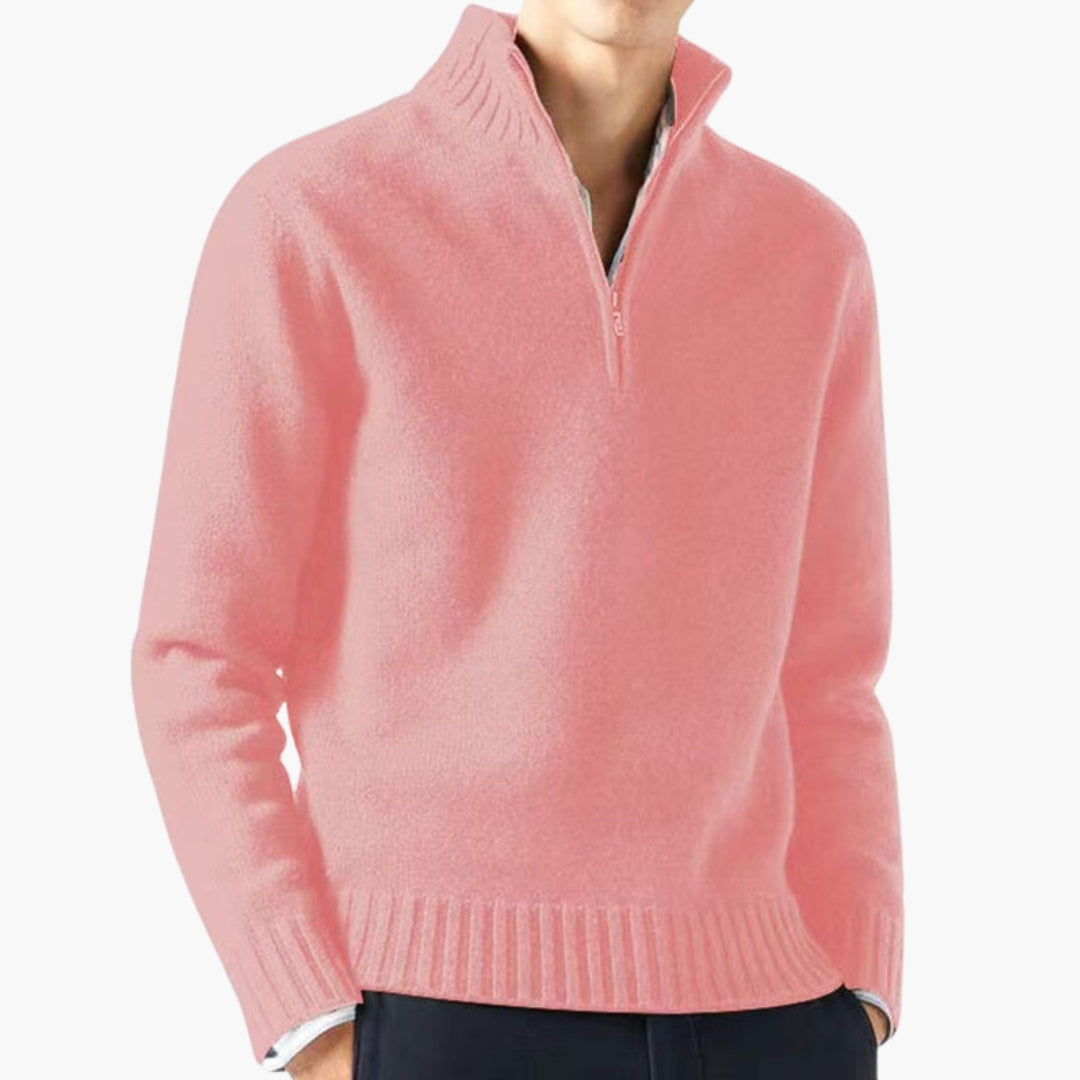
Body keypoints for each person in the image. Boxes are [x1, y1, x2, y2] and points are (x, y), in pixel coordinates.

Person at [130, 2, 903, 1077]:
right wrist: (309, 1020)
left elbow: (830, 674)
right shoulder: (312, 217)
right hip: (430, 1009)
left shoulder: (812, 255)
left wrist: (860, 982)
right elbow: (197, 656)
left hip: (768, 1013)